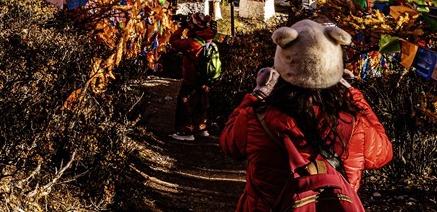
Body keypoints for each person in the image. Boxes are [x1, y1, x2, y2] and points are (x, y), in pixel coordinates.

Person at [220, 19, 393, 211]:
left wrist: (257, 94)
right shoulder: (354, 122)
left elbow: (230, 144)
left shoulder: (257, 117)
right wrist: (353, 94)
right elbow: (382, 153)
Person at [168, 12, 216, 141]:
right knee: (201, 103)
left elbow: (173, 41)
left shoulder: (192, 43)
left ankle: (185, 131)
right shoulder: (209, 38)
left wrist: (182, 28)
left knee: (185, 102)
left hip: (192, 78)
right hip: (205, 79)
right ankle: (201, 129)